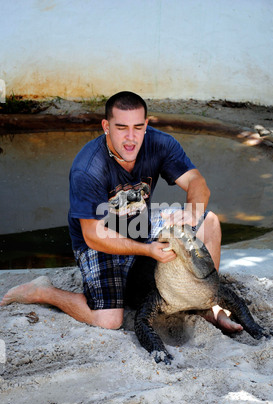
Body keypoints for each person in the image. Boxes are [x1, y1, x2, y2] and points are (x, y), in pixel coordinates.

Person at [1, 91, 242, 334]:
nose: (131, 137)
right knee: (109, 320)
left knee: (208, 221)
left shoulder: (159, 143)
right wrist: (146, 250)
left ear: (146, 124)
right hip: (99, 241)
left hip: (141, 224)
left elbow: (196, 181)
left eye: (138, 127)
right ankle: (44, 291)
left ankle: (207, 303)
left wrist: (193, 210)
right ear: (106, 126)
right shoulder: (88, 168)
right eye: (121, 127)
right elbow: (93, 235)